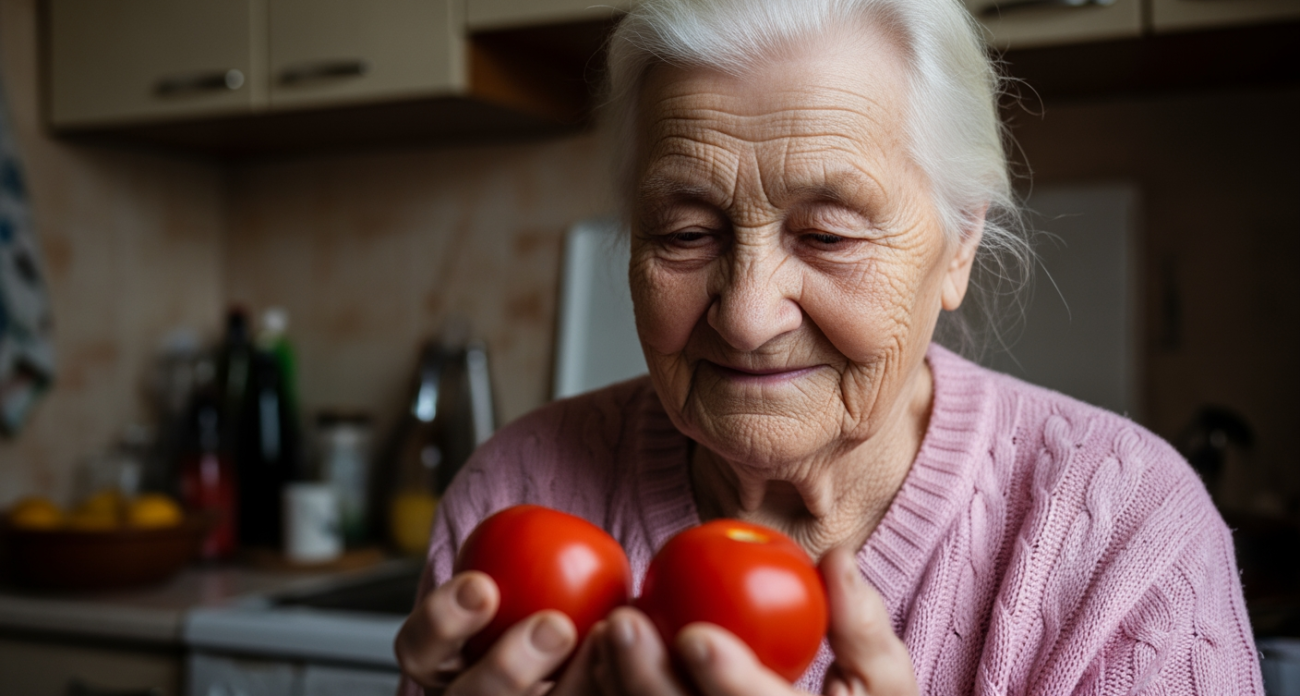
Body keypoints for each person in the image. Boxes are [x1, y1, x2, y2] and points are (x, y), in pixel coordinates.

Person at [396, 0, 1263, 693]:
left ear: (958, 245)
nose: (746, 316)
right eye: (687, 233)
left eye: (830, 235)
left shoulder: (1127, 537)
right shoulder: (513, 494)